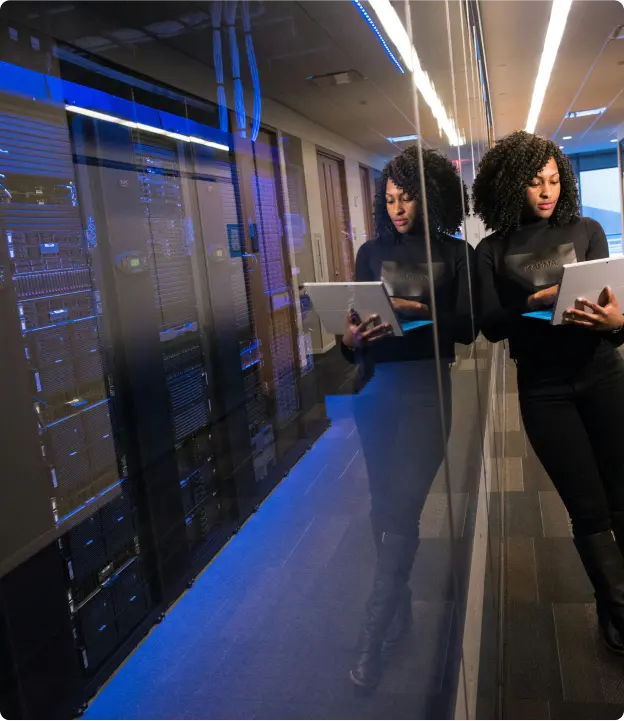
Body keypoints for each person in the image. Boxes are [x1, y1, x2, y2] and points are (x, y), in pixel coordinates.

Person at [474, 130, 624, 654]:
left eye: (555, 180)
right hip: (543, 389)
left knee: (622, 496)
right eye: (535, 182)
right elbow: (490, 326)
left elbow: (615, 317)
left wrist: (616, 320)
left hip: (604, 374)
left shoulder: (588, 229)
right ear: (512, 185)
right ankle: (618, 610)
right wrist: (534, 299)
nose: (547, 191)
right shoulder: (490, 249)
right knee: (587, 507)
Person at [341, 146, 477, 689]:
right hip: (376, 390)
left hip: (427, 393)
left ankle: (372, 634)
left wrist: (420, 311)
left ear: (430, 196)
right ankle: (400, 612)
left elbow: (468, 328)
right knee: (383, 508)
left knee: (402, 507)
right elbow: (351, 340)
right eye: (391, 199)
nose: (398, 208)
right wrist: (350, 338)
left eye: (408, 197)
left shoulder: (454, 252)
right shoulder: (370, 252)